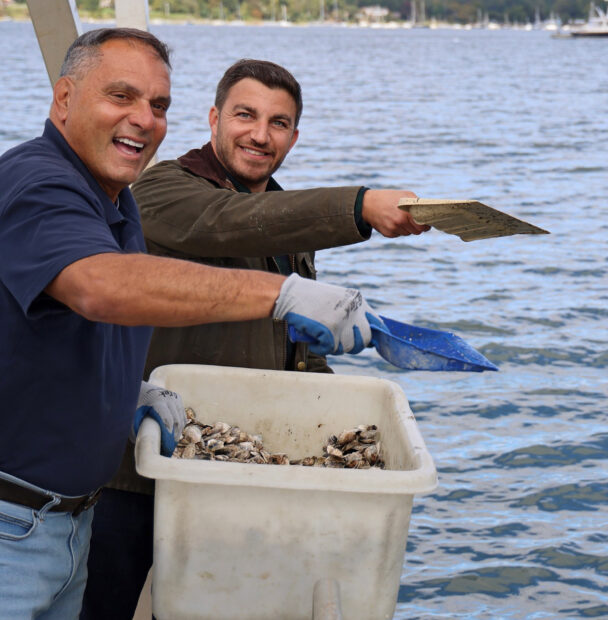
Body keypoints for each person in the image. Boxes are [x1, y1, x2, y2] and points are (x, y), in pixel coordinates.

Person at [0, 29, 379, 619]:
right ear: (64, 99)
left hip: (70, 518)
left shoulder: (114, 197)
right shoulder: (44, 184)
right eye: (120, 97)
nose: (142, 119)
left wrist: (127, 392)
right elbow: (99, 286)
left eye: (157, 106)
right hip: (15, 525)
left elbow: (67, 328)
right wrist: (286, 289)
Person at [79, 58, 430, 618]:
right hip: (133, 470)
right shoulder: (163, 189)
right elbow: (230, 222)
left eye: (279, 122)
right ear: (214, 117)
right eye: (245, 115)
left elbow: (291, 349)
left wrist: (342, 409)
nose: (260, 134)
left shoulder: (286, 227)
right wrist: (361, 206)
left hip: (227, 475)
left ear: (294, 135)